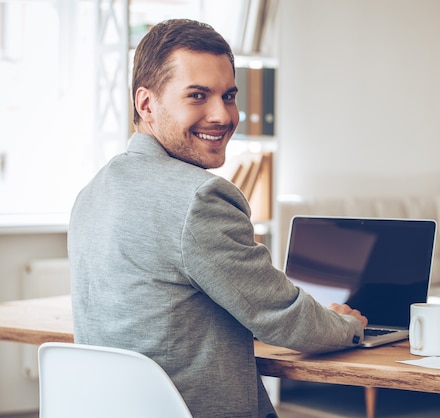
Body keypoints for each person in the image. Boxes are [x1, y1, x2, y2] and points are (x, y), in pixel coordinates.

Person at [68, 18, 367, 418]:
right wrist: (346, 325)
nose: (222, 115)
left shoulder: (91, 193)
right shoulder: (200, 198)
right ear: (146, 103)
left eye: (229, 95)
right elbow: (282, 319)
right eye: (197, 95)